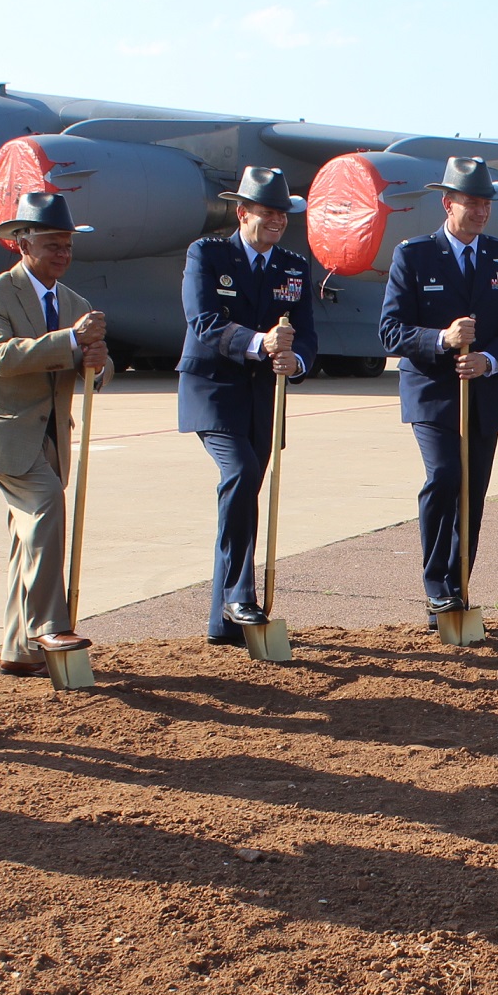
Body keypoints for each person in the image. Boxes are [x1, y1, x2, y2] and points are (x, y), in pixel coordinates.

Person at [0, 191, 110, 675]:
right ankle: (49, 624)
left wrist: (95, 363)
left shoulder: (74, 302)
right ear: (22, 244)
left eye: (67, 245)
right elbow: (2, 357)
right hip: (3, 433)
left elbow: (98, 368)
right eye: (51, 244)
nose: (62, 254)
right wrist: (71, 342)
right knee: (45, 506)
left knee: (25, 539)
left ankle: (18, 650)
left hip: (50, 436)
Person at [377, 157, 498, 616]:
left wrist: (490, 359)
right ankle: (436, 582)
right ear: (448, 203)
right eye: (472, 203)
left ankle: (458, 585)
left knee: (474, 491)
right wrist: (442, 339)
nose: (482, 212)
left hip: (483, 391)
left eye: (487, 204)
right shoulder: (415, 255)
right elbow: (390, 332)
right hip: (433, 392)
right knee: (444, 477)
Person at [178, 167, 320, 645]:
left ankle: (223, 623)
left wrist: (294, 359)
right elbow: (203, 322)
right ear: (242, 212)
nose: (277, 220)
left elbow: (308, 337)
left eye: (283, 213)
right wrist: (260, 342)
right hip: (213, 389)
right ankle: (242, 594)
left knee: (244, 495)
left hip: (263, 397)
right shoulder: (208, 253)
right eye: (267, 212)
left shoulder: (294, 267)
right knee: (237, 474)